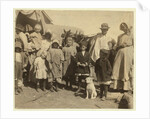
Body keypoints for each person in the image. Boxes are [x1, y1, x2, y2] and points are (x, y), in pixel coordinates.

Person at [111, 22, 134, 92]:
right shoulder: (120, 36)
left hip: (128, 53)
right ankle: (117, 87)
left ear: (127, 27)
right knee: (117, 68)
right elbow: (117, 45)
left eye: (124, 27)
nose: (123, 28)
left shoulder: (132, 35)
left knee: (125, 69)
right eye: (122, 27)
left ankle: (126, 87)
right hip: (120, 53)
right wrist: (114, 48)